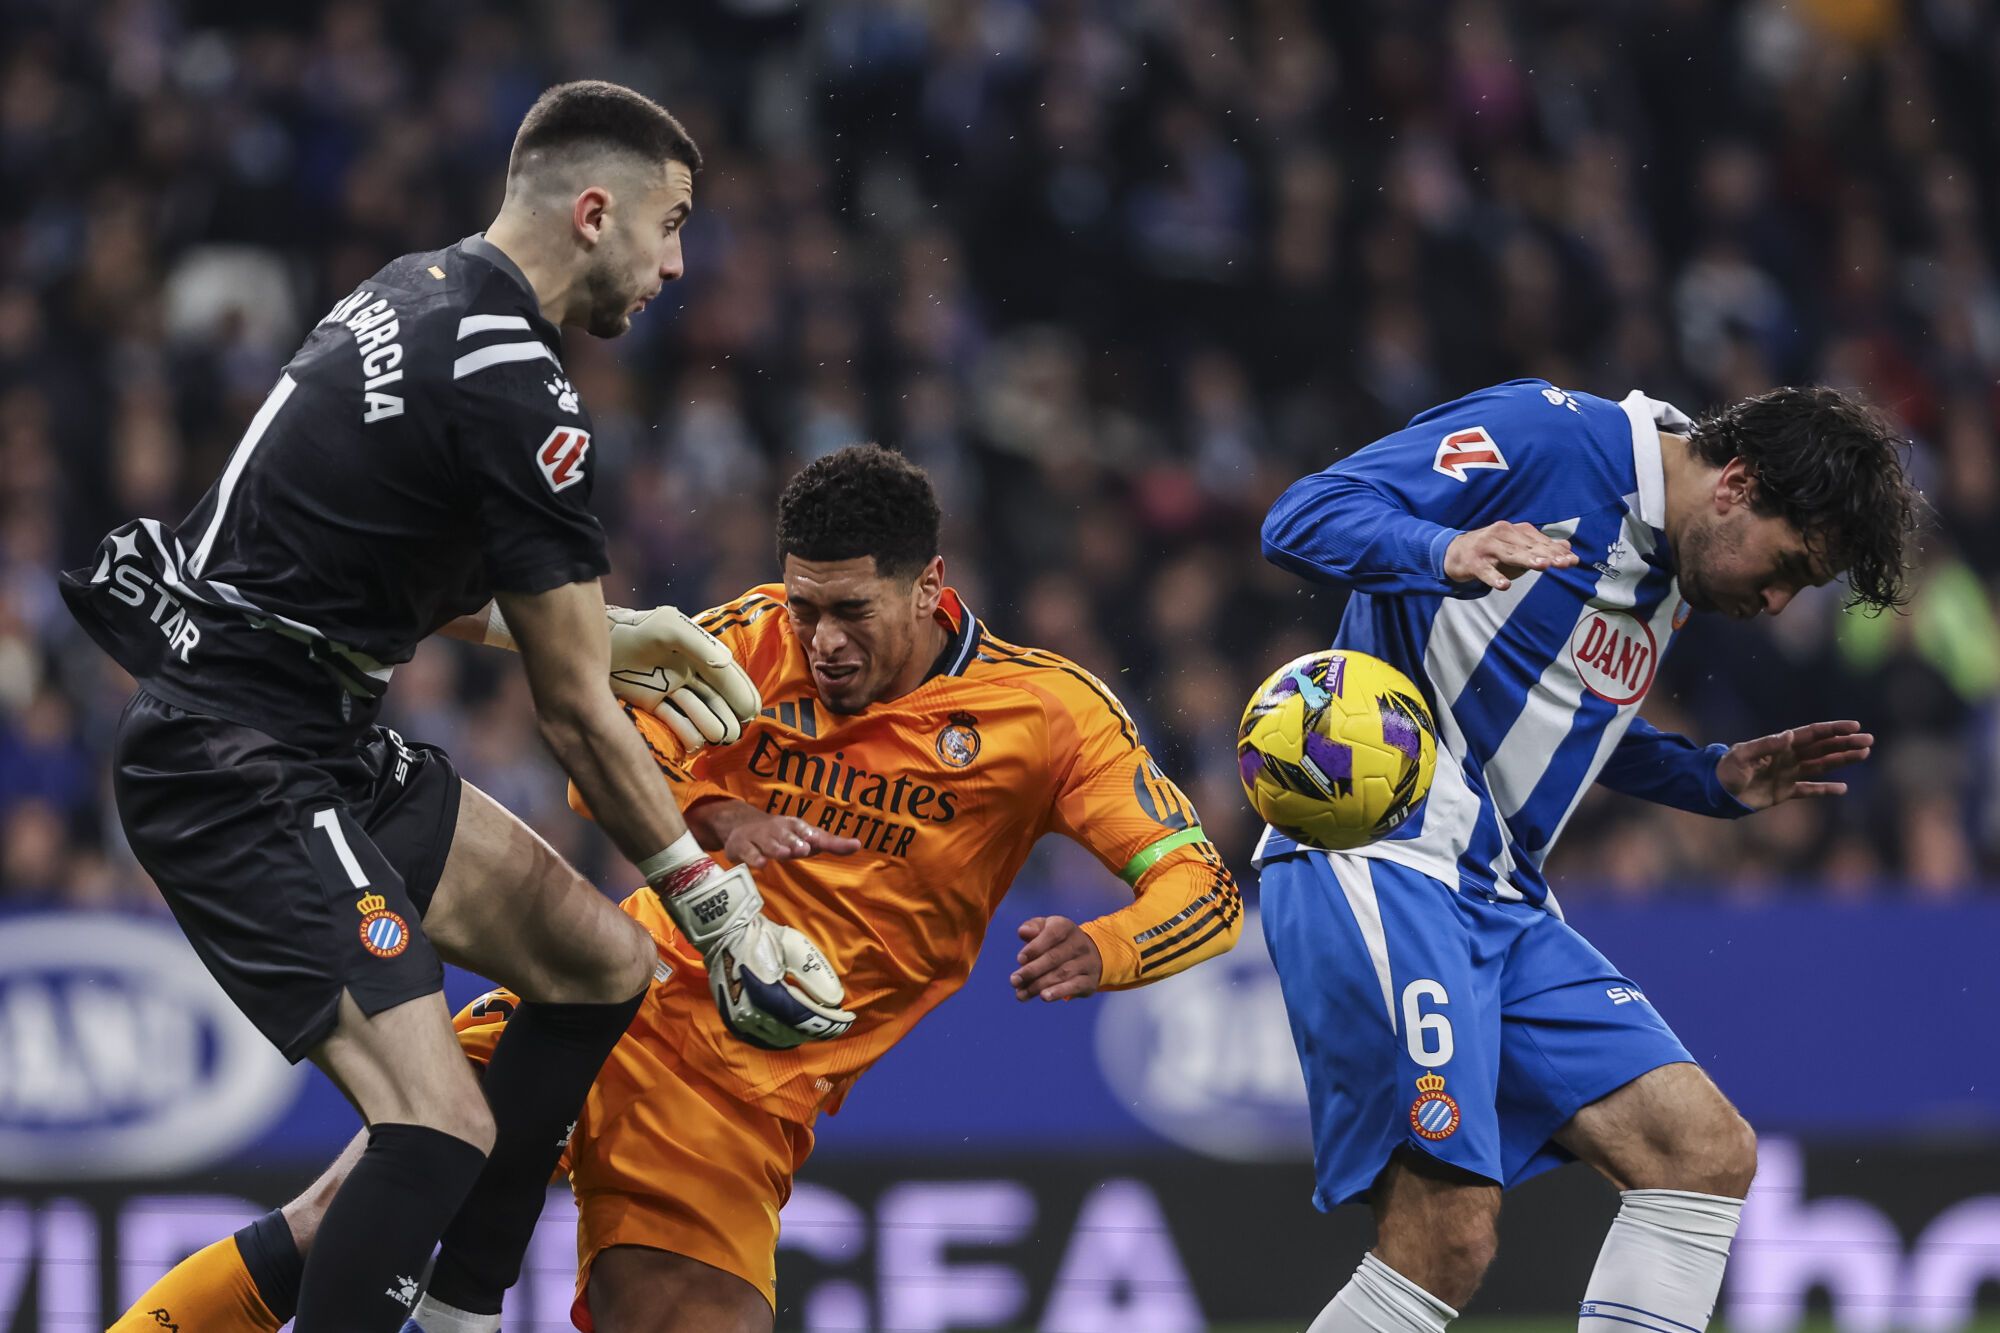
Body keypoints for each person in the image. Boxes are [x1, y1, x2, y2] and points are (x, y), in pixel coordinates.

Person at [114, 443, 1246, 1333]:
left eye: (852, 610)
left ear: (929, 589)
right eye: (806, 604)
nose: (822, 640)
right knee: (330, 1223)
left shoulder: (1046, 715)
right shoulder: (748, 642)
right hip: (604, 1002)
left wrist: (1108, 950)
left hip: (742, 1099)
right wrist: (716, 815)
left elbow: (1201, 889)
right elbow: (602, 756)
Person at [67, 81, 853, 1333]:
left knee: (600, 964)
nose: (677, 264)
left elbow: (347, 569)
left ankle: (458, 1314)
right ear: (596, 212)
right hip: (243, 758)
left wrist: (619, 626)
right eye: (671, 225)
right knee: (433, 1128)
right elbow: (576, 714)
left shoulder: (413, 291)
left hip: (296, 723)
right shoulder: (514, 382)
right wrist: (721, 907)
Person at [1254, 380, 1920, 1332]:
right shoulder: (1547, 440)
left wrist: (1709, 778)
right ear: (1736, 483)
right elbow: (1301, 516)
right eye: (1790, 568)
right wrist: (1446, 547)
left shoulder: (1673, 556)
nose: (1776, 603)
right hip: (1382, 855)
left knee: (1702, 1152)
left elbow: (1557, 694)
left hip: (1498, 896)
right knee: (1447, 1234)